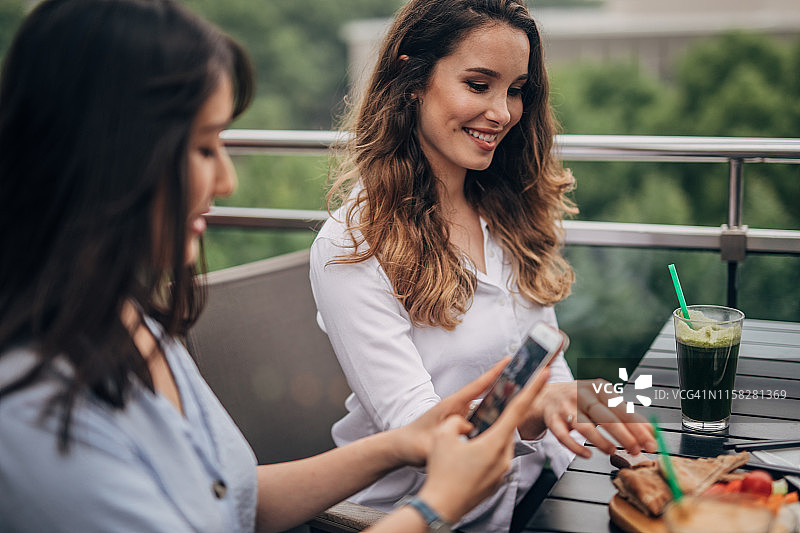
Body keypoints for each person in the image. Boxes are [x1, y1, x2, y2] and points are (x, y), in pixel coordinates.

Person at [0, 1, 558, 532]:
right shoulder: (31, 408)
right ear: (102, 153)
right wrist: (436, 507)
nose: (228, 181)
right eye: (201, 147)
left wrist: (404, 444)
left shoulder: (133, 325)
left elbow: (236, 500)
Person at [309, 0, 657, 531]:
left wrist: (598, 441)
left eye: (516, 90)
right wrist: (540, 409)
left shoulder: (508, 208)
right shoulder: (353, 244)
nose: (502, 112)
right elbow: (421, 433)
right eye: (478, 84)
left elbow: (548, 365)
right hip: (426, 517)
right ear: (413, 78)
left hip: (537, 496)